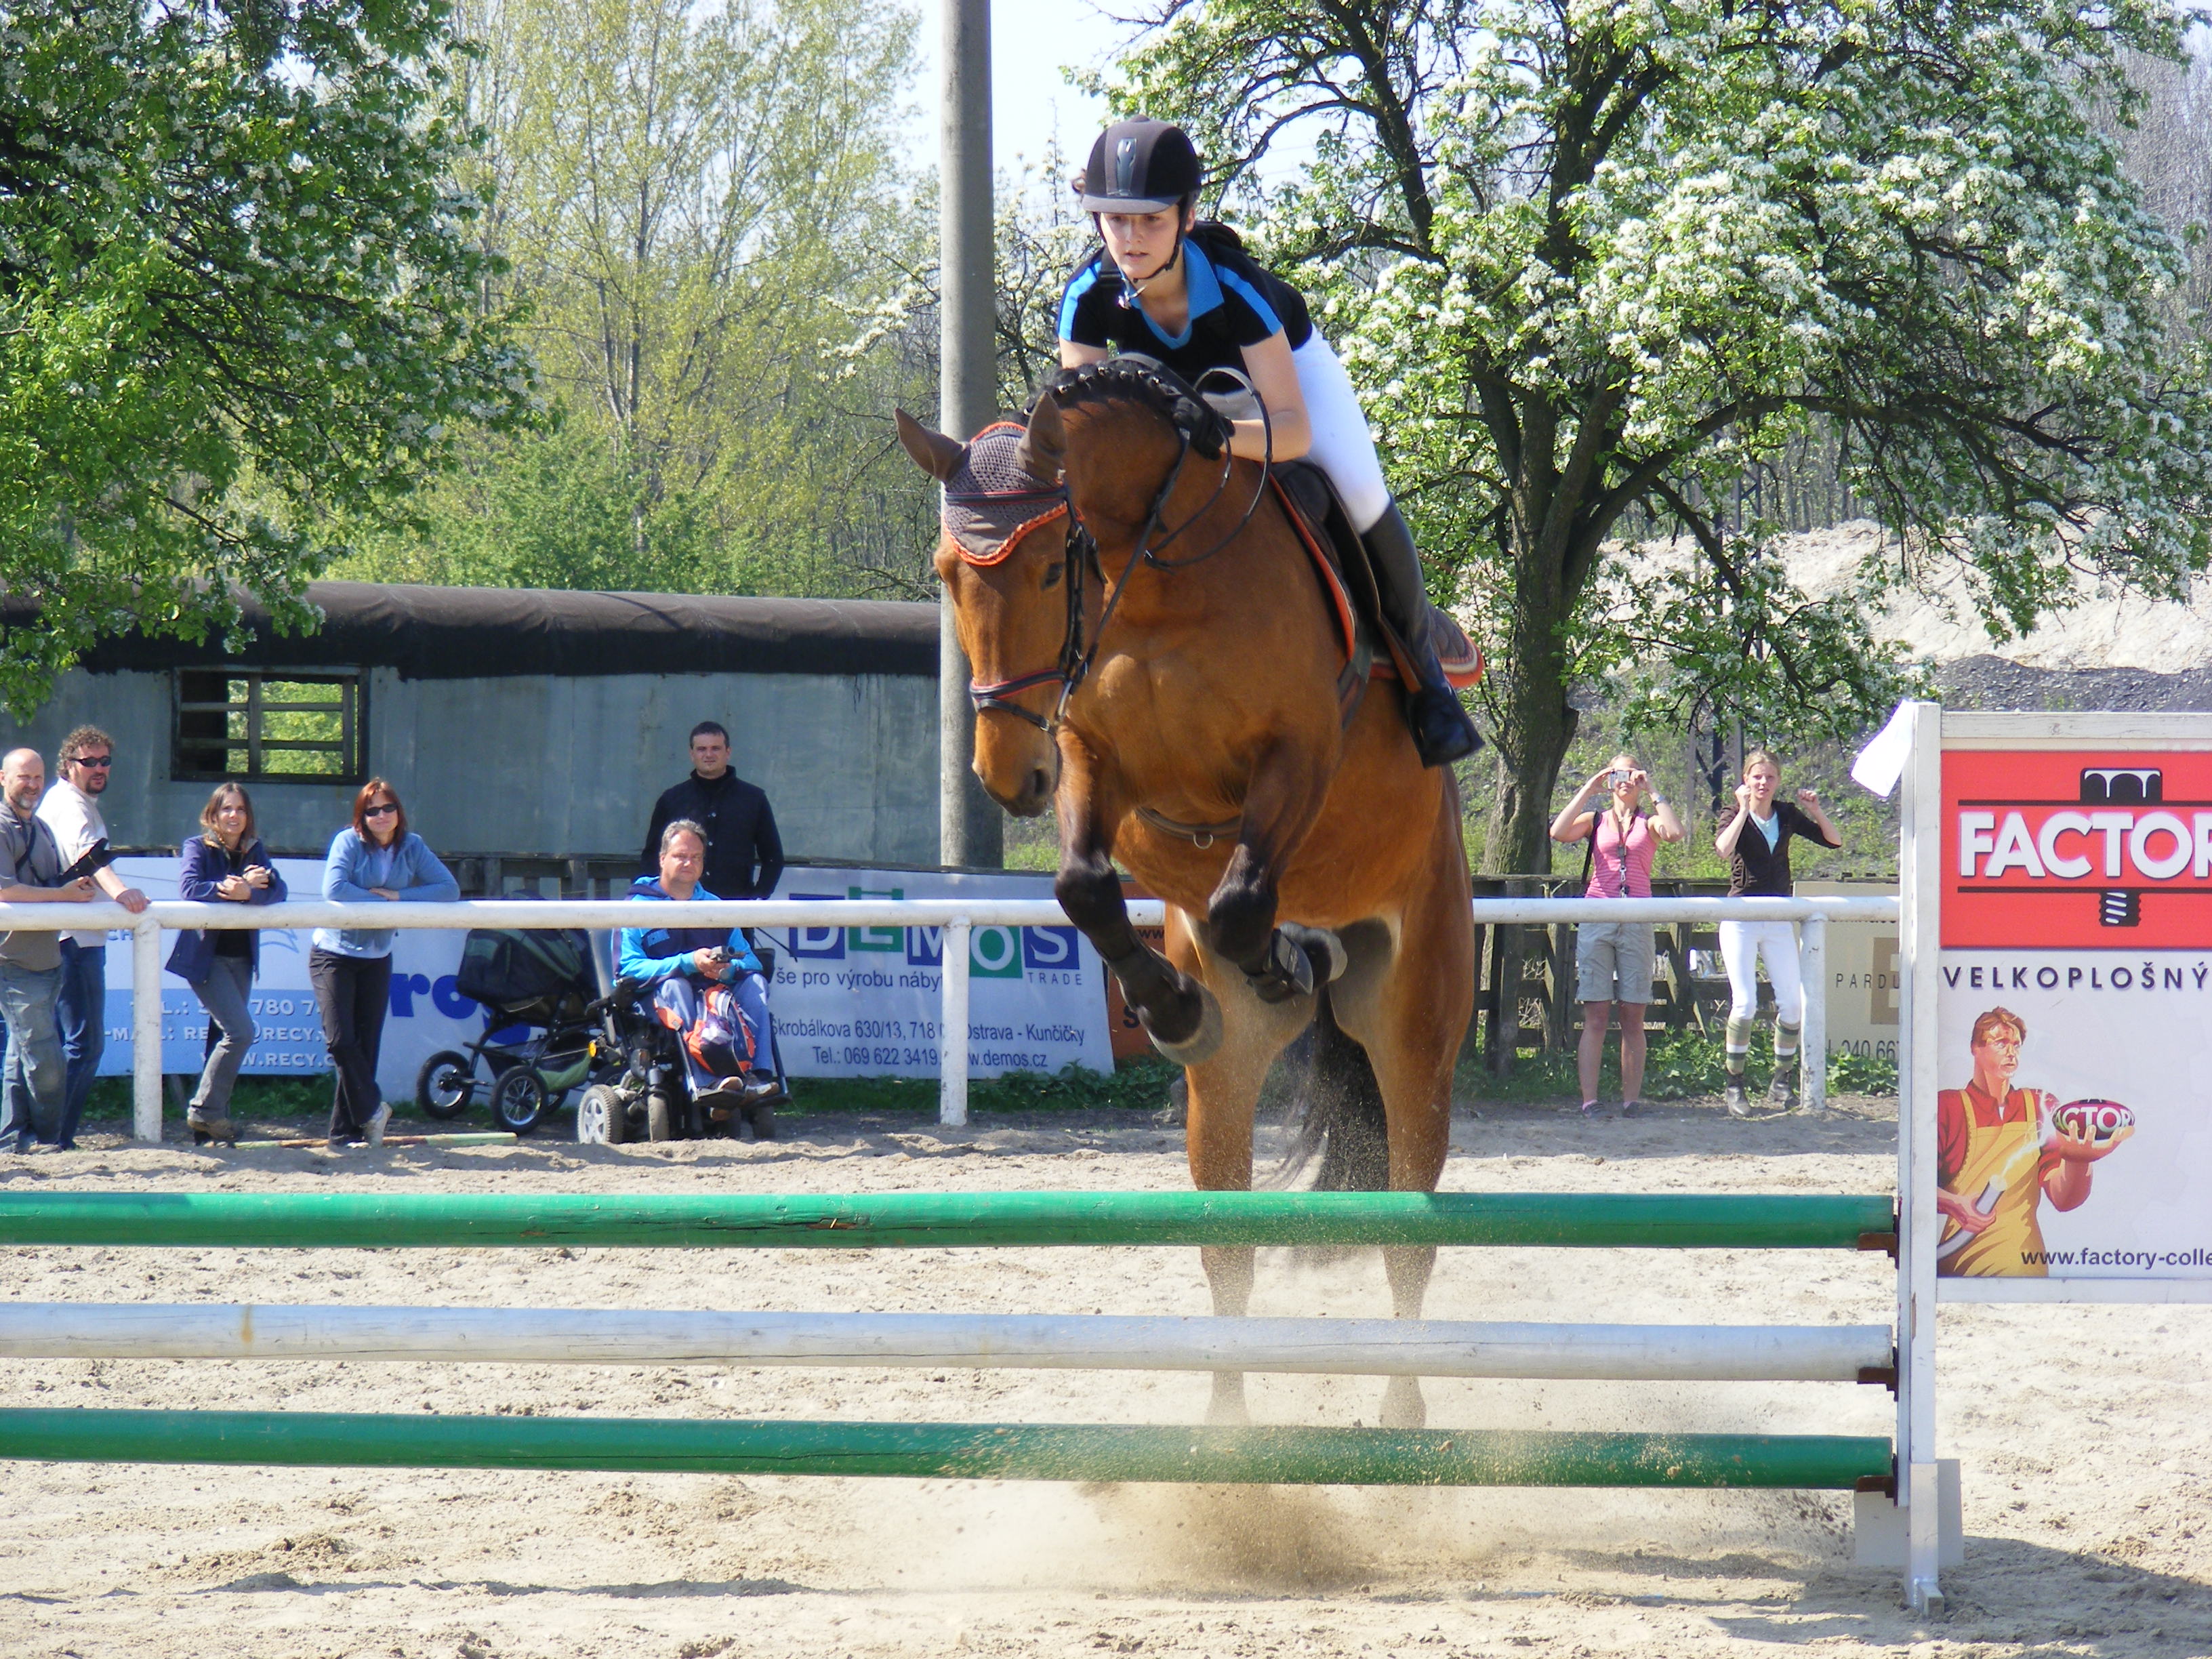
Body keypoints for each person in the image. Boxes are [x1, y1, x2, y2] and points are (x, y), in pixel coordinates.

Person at [1057, 117, 1480, 769]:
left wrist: (1218, 437)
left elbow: (1292, 430)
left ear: (1187, 216)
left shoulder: (1235, 287)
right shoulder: (1085, 298)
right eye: (1114, 220)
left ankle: (1428, 681)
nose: (1130, 239)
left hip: (1281, 386)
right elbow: (1091, 444)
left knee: (1359, 492)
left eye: (1151, 220)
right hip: (1176, 407)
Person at [312, 779, 457, 1148]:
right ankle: (374, 1108)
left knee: (366, 1046)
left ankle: (346, 1133)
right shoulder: (347, 841)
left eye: (387, 808)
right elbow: (334, 888)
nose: (381, 816)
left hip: (377, 956)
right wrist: (379, 901)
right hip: (333, 952)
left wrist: (399, 897)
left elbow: (447, 888)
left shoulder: (413, 845)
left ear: (398, 812)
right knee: (341, 1041)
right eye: (371, 810)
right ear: (361, 816)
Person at [1937, 1008, 2130, 1277]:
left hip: (2023, 1264)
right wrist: (1953, 1204)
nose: (2011, 1052)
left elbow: (2063, 1199)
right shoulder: (1949, 1106)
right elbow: (1916, 1187)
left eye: (2016, 1045)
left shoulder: (2040, 1105)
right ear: (1975, 1049)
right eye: (2000, 1043)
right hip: (1958, 1262)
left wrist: (2079, 1160)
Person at [620, 818, 781, 1133]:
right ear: (663, 858)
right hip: (660, 1000)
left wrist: (729, 968)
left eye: (696, 857)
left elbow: (749, 961)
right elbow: (626, 969)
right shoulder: (636, 907)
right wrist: (687, 963)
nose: (688, 863)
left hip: (716, 1001)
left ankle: (758, 1078)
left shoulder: (715, 907)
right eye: (680, 855)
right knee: (677, 985)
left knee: (756, 983)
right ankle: (708, 1083)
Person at [1549, 755, 1685, 1119]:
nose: (1625, 780)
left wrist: (1652, 787)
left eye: (1631, 773)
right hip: (1598, 915)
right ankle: (1589, 1100)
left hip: (1637, 918)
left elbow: (1674, 833)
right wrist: (1588, 789)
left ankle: (1631, 1100)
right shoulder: (1596, 821)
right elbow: (1558, 832)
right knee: (1595, 1012)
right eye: (1618, 773)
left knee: (1633, 1013)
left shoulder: (1649, 822)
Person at [34, 726, 150, 1147]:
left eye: (105, 761)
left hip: (65, 936)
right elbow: (89, 858)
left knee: (55, 1044)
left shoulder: (69, 801)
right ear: (69, 766)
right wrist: (124, 894)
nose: (99, 768)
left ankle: (41, 1132)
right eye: (89, 762)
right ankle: (54, 1135)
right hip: (75, 941)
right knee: (85, 1045)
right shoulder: (73, 805)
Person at [1712, 750, 1843, 1117]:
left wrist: (1816, 811)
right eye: (1757, 777)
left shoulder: (1785, 813)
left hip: (1778, 916)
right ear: (1746, 779)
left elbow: (1833, 841)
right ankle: (1734, 1083)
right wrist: (1741, 810)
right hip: (1741, 916)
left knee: (1793, 1003)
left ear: (1778, 781)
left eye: (1769, 777)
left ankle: (1780, 1080)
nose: (1763, 784)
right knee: (1746, 1003)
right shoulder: (1731, 812)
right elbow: (1722, 850)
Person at [167, 784, 287, 1145]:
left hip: (242, 958)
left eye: (240, 809)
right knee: (241, 1033)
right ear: (214, 814)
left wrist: (251, 893)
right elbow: (189, 888)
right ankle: (205, 1111)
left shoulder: (255, 849)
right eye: (226, 809)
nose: (233, 816)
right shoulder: (197, 846)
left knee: (223, 1038)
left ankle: (208, 1130)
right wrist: (231, 888)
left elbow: (278, 889)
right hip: (207, 959)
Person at [0, 748, 99, 1152]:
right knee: (45, 1061)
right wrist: (61, 894)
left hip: (47, 958)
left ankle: (10, 1138)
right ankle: (49, 1138)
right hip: (13, 960)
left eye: (38, 777)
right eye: (24, 777)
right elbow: (4, 890)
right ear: (2, 778)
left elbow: (48, 885)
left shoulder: (39, 827)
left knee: (19, 1055)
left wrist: (74, 887)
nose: (33, 785)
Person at [639, 722, 785, 902]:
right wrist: (657, 898)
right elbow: (652, 855)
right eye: (702, 749)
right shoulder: (671, 800)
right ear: (692, 754)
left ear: (728, 752)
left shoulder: (754, 799)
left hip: (736, 909)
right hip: (678, 911)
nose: (709, 755)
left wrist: (758, 897)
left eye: (716, 748)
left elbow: (773, 858)